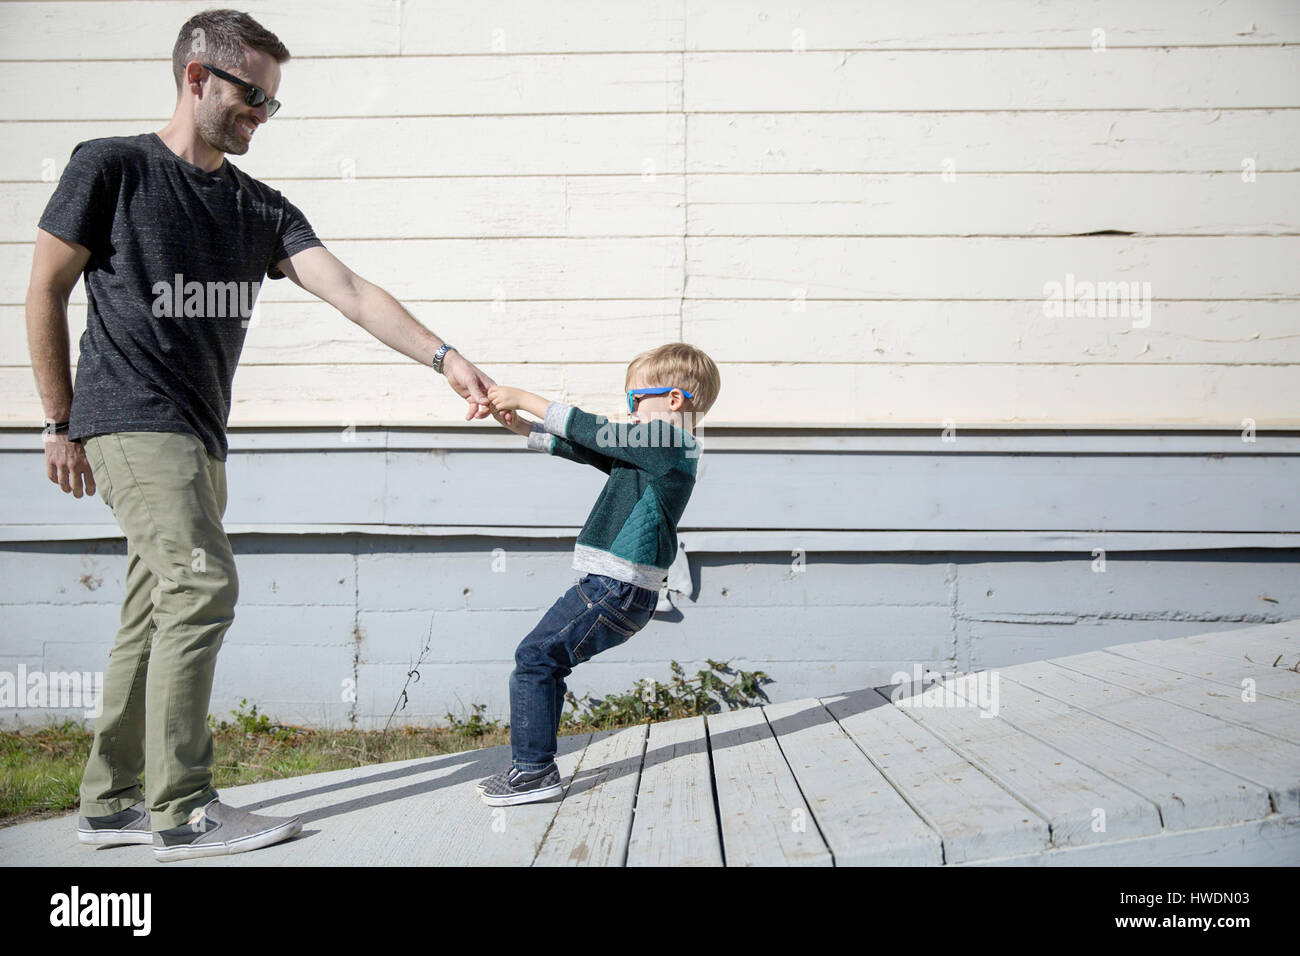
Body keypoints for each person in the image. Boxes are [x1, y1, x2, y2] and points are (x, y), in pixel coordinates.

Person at [26, 9, 512, 861]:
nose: (260, 114)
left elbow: (351, 290)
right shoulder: (112, 167)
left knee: (156, 606)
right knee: (202, 586)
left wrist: (446, 359)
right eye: (251, 96)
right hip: (131, 417)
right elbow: (43, 289)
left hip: (200, 433)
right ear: (195, 77)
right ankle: (184, 810)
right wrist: (59, 419)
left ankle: (109, 804)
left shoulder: (257, 206)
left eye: (271, 104)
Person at [479, 342, 720, 805]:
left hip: (615, 588)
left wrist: (527, 398)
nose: (627, 412)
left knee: (535, 657)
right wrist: (522, 427)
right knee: (543, 659)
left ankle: (532, 773)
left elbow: (599, 432)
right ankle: (533, 767)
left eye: (634, 401)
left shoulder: (672, 442)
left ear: (674, 400)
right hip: (620, 590)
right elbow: (591, 448)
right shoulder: (652, 452)